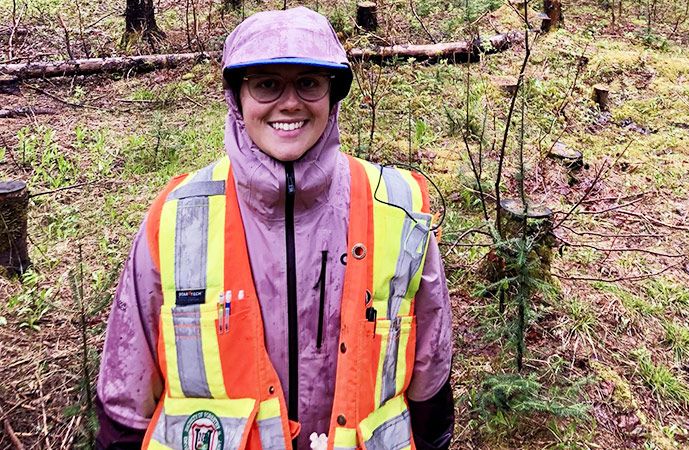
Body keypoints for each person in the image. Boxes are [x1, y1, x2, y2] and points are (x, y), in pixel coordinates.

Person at [95, 7, 454, 450]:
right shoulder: (177, 217)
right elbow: (125, 397)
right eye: (266, 83)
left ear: (332, 94)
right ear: (237, 97)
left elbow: (430, 371)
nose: (289, 102)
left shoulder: (398, 207)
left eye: (308, 82)